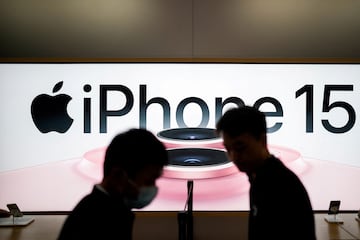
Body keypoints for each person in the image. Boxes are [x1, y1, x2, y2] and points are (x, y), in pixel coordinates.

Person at [216, 106, 316, 240]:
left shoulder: (280, 185)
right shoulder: (258, 178)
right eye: (228, 149)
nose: (234, 157)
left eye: (240, 147)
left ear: (262, 141)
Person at [58, 128, 168, 240]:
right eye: (149, 181)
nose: (152, 188)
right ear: (119, 174)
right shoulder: (100, 218)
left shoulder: (101, 209)